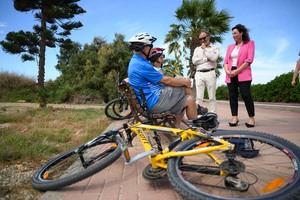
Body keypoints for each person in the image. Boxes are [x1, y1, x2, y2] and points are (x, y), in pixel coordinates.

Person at [127, 32, 197, 124]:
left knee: (189, 100)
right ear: (144, 47)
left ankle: (183, 127)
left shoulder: (137, 61)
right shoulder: (141, 64)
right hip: (154, 102)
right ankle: (197, 116)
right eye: (150, 46)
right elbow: (166, 80)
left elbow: (160, 78)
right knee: (185, 84)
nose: (152, 49)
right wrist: (184, 81)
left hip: (150, 101)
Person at [223, 24, 256, 128]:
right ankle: (234, 117)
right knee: (232, 96)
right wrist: (227, 71)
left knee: (246, 95)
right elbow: (225, 61)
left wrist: (236, 71)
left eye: (235, 33)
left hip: (243, 72)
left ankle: (251, 118)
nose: (233, 35)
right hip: (230, 72)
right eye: (232, 33)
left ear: (241, 33)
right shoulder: (230, 47)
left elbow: (249, 60)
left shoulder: (250, 44)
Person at [192, 30, 220, 113]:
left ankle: (213, 114)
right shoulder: (197, 49)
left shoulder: (215, 48)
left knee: (212, 97)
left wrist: (205, 50)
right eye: (200, 39)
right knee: (199, 97)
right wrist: (205, 59)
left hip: (210, 73)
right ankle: (198, 114)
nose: (202, 40)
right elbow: (194, 61)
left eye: (204, 38)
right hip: (199, 73)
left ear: (208, 37)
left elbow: (213, 58)